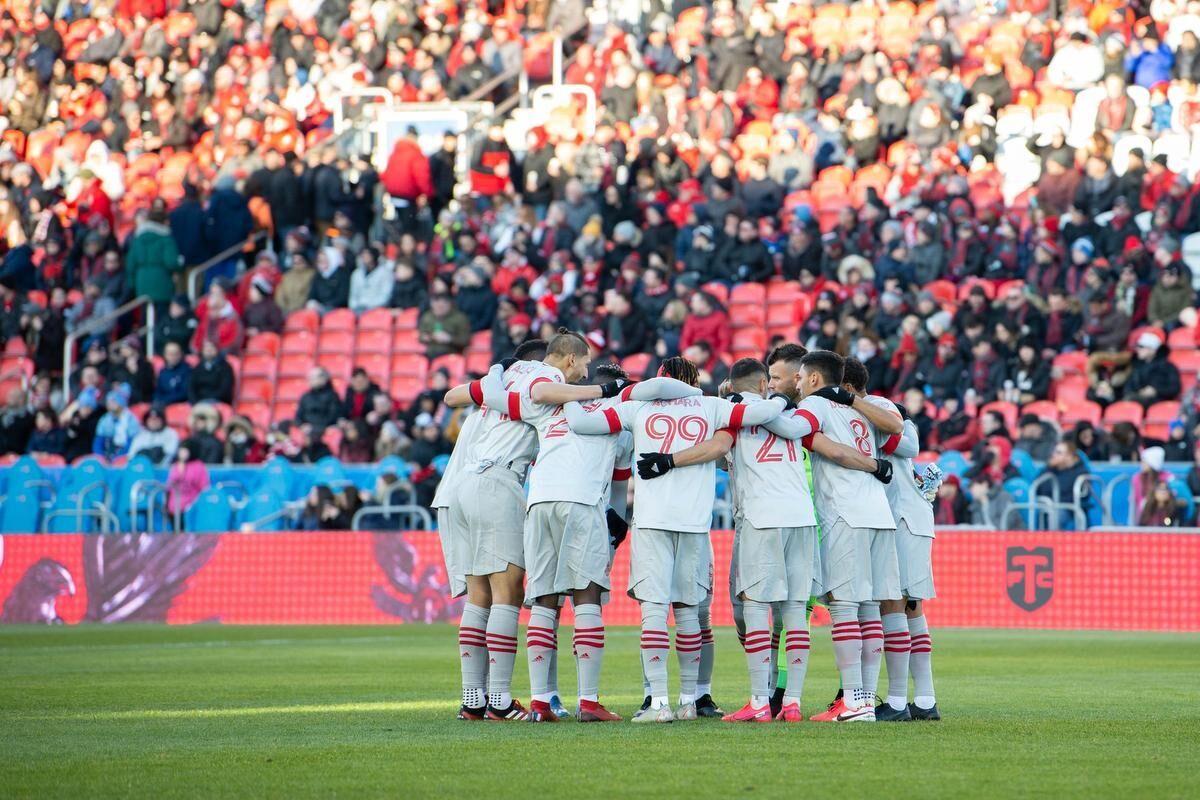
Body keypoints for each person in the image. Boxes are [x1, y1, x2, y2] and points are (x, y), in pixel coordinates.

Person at [643, 354, 889, 722]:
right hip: (804, 519)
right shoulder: (797, 415)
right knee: (794, 612)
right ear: (762, 384)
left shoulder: (735, 415)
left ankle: (759, 702)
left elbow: (716, 448)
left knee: (757, 607)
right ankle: (791, 703)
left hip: (762, 518)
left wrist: (668, 460)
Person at [476, 343, 705, 722]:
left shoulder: (553, 404)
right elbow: (661, 390)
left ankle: (540, 701)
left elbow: (494, 397)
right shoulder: (619, 406)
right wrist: (697, 393)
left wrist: (500, 368)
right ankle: (588, 702)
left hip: (539, 502)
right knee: (587, 597)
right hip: (582, 504)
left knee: (545, 600)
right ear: (616, 384)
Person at [564, 355, 790, 722]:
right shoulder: (712, 406)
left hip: (653, 521)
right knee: (688, 613)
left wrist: (569, 391)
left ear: (660, 378)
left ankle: (657, 703)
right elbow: (761, 416)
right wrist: (781, 399)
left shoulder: (635, 408)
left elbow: (581, 424)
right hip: (696, 523)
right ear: (694, 380)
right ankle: (689, 700)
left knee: (654, 611)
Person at [92, 384, 140, 459]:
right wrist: (100, 456)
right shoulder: (105, 419)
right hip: (107, 452)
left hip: (124, 454)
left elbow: (132, 442)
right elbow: (98, 441)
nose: (110, 404)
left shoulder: (131, 419)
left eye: (113, 401)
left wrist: (119, 457)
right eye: (109, 402)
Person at [166, 445, 210, 528]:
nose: (182, 453)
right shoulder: (175, 466)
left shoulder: (198, 466)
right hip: (174, 507)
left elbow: (204, 488)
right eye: (181, 450)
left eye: (185, 450)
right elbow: (169, 486)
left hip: (191, 506)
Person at [418, 293, 471, 359]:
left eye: (442, 307)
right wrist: (427, 337)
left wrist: (449, 339)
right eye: (436, 307)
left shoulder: (460, 318)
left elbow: (465, 341)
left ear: (449, 304)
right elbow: (421, 336)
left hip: (451, 354)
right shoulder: (427, 317)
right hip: (430, 353)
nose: (439, 309)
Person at [295, 367, 343, 432]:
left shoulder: (332, 396)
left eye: (313, 377)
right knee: (285, 424)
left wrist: (314, 426)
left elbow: (333, 417)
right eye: (310, 377)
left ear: (324, 379)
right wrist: (302, 425)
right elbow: (298, 416)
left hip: (323, 428)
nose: (310, 380)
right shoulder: (305, 396)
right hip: (308, 428)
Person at [189, 339, 235, 405]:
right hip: (199, 402)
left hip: (218, 401)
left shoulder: (225, 367)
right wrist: (195, 402)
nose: (209, 350)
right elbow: (191, 388)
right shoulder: (197, 368)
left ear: (217, 350)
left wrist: (210, 399)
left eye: (211, 347)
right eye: (206, 348)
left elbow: (225, 389)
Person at [153, 341, 192, 406]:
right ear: (165, 355)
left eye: (176, 354)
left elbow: (184, 393)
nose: (173, 357)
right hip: (163, 404)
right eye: (170, 354)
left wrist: (165, 401)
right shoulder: (163, 372)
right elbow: (158, 392)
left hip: (181, 405)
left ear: (181, 354)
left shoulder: (187, 370)